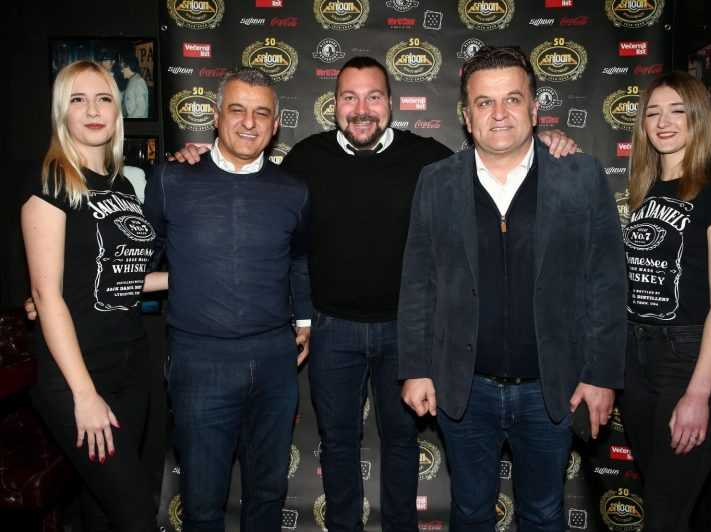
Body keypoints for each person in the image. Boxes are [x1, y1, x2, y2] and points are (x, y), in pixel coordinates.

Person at [172, 56, 576, 532]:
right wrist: (197, 156)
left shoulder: (429, 159)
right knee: (338, 443)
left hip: (406, 333)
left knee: (403, 443)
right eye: (349, 97)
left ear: (391, 103)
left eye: (373, 97)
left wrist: (548, 142)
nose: (361, 109)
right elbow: (266, 202)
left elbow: (497, 157)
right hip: (331, 331)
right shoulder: (305, 159)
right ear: (334, 104)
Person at [397, 46, 626, 532]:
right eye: (484, 102)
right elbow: (419, 282)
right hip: (465, 389)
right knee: (469, 512)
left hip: (552, 389)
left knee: (543, 514)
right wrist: (415, 368)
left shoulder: (580, 176)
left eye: (512, 99)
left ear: (534, 109)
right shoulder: (435, 182)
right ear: (466, 116)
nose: (498, 113)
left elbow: (606, 282)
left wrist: (601, 375)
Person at [143, 67, 312, 532]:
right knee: (201, 501)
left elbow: (299, 260)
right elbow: (134, 262)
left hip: (275, 360)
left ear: (275, 124)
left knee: (268, 494)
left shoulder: (294, 192)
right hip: (199, 361)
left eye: (262, 113)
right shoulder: (171, 180)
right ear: (216, 116)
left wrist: (304, 321)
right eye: (237, 110)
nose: (249, 122)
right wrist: (72, 293)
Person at [21, 60, 167, 532]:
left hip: (131, 367)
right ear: (61, 112)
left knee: (102, 513)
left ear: (118, 110)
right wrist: (83, 394)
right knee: (136, 515)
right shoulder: (51, 181)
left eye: (103, 99)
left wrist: (193, 277)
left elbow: (120, 278)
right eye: (78, 100)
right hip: (77, 375)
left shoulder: (123, 185)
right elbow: (46, 295)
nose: (92, 111)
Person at [620, 71, 711, 532]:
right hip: (636, 359)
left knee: (666, 516)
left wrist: (698, 392)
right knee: (659, 500)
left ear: (698, 119)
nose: (664, 122)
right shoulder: (643, 190)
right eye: (653, 113)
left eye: (677, 111)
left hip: (689, 359)